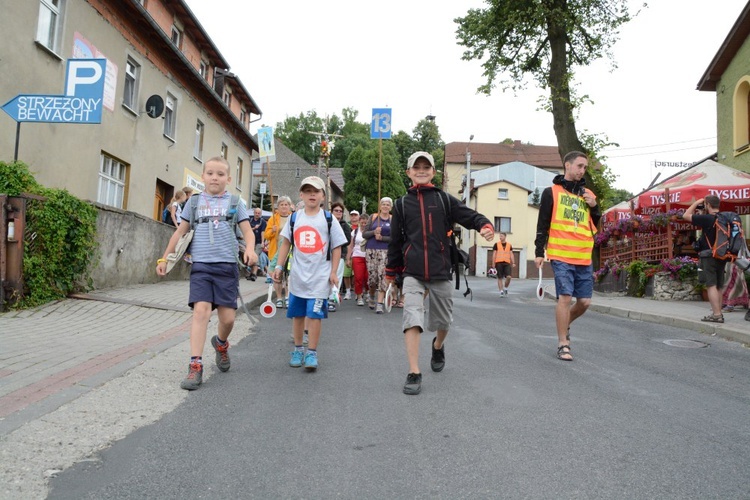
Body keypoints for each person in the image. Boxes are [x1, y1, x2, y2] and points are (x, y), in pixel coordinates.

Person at [387, 152, 494, 395]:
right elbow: (395, 241)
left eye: (427, 167)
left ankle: (438, 345)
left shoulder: (444, 200)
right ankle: (414, 371)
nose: (422, 170)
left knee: (443, 321)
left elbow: (470, 216)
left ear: (434, 172)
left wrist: (485, 226)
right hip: (412, 272)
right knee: (412, 317)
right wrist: (391, 273)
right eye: (417, 167)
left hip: (440, 270)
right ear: (409, 172)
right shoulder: (401, 204)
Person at [156, 156, 257, 390]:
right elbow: (179, 233)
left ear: (229, 179)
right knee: (200, 313)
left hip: (227, 268)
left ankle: (221, 344)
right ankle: (195, 366)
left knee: (228, 319)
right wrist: (165, 258)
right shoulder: (193, 203)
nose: (215, 177)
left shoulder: (235, 201)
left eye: (220, 174)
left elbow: (248, 232)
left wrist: (250, 249)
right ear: (203, 177)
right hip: (201, 267)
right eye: (210, 173)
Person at [272, 176, 346, 371]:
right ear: (301, 195)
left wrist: (334, 272)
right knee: (297, 315)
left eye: (316, 191)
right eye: (307, 191)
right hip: (297, 276)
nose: (312, 194)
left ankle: (311, 352)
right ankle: (297, 349)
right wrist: (278, 267)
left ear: (323, 195)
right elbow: (286, 243)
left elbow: (337, 246)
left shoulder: (328, 219)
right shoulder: (295, 218)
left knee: (314, 316)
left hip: (320, 278)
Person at [534, 151, 601, 362]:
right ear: (567, 165)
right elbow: (542, 224)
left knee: (585, 302)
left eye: (585, 168)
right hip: (560, 254)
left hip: (583, 255)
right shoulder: (551, 192)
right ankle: (563, 343)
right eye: (579, 166)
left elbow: (595, 224)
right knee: (565, 297)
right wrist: (538, 252)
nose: (582, 171)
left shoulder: (588, 194)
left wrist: (594, 206)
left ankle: (565, 323)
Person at [682, 195, 729, 323]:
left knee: (711, 285)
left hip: (709, 256)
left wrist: (697, 203)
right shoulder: (724, 218)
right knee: (718, 285)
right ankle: (719, 312)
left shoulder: (707, 218)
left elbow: (685, 216)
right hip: (722, 254)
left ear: (708, 204)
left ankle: (716, 314)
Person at [362, 197, 393, 313]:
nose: (385, 206)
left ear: (390, 207)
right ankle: (371, 295)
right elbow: (364, 233)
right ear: (380, 206)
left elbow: (395, 238)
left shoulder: (392, 220)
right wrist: (374, 232)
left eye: (387, 204)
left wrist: (383, 238)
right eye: (383, 204)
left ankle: (380, 303)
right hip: (371, 250)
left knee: (382, 277)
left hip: (385, 251)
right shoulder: (373, 217)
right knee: (372, 279)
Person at [264, 196, 293, 308]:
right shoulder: (273, 218)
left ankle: (287, 296)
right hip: (275, 250)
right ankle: (279, 298)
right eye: (281, 204)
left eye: (286, 204)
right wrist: (273, 230)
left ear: (289, 206)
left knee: (288, 275)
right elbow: (266, 235)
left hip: (289, 251)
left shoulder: (293, 217)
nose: (284, 207)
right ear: (278, 206)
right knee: (277, 275)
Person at [328, 202, 351, 311]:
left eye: (340, 211)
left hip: (340, 254)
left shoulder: (344, 225)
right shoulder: (327, 222)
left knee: (337, 276)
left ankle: (332, 299)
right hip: (326, 255)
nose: (338, 213)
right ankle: (324, 297)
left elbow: (347, 240)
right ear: (331, 212)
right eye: (336, 210)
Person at [346, 211, 369, 306]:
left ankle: (368, 293)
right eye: (362, 222)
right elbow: (350, 246)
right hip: (357, 255)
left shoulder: (370, 231)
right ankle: (359, 296)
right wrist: (348, 258)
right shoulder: (354, 232)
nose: (363, 224)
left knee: (368, 277)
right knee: (358, 277)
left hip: (368, 256)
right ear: (359, 222)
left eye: (365, 223)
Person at [342, 210, 360, 300]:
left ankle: (358, 291)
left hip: (358, 253)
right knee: (346, 273)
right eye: (352, 215)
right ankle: (348, 291)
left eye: (355, 215)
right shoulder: (347, 226)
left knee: (357, 274)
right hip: (348, 251)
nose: (353, 217)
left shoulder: (362, 227)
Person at [492, 232, 515, 297]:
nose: (500, 237)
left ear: (505, 237)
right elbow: (494, 254)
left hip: (507, 262)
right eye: (500, 236)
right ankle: (501, 291)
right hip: (498, 262)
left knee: (509, 277)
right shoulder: (496, 244)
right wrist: (493, 263)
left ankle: (505, 288)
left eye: (501, 236)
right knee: (499, 277)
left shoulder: (509, 245)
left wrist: (513, 262)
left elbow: (511, 254)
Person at [247, 207, 267, 281]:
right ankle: (251, 273)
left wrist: (262, 242)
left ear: (261, 214)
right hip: (250, 242)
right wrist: (254, 228)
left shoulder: (263, 222)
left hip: (258, 242)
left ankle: (254, 274)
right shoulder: (250, 220)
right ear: (254, 213)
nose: (257, 214)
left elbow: (263, 232)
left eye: (259, 213)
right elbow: (247, 230)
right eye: (256, 213)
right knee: (250, 257)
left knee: (255, 256)